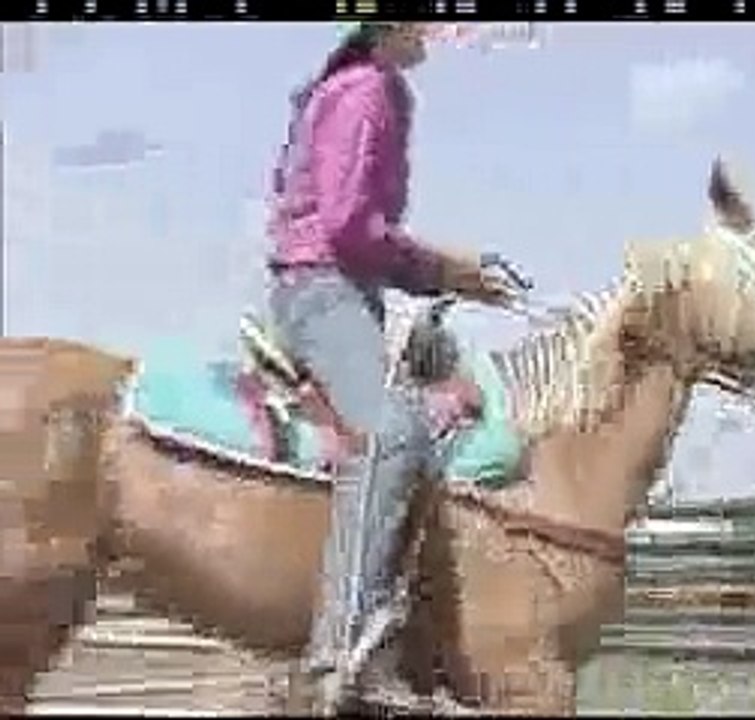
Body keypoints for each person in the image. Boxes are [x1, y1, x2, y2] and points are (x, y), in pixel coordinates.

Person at [264, 21, 515, 698]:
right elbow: (347, 226)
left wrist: (439, 277)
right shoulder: (370, 88)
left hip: (344, 290)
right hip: (323, 290)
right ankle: (342, 650)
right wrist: (445, 270)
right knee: (394, 432)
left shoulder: (352, 87)